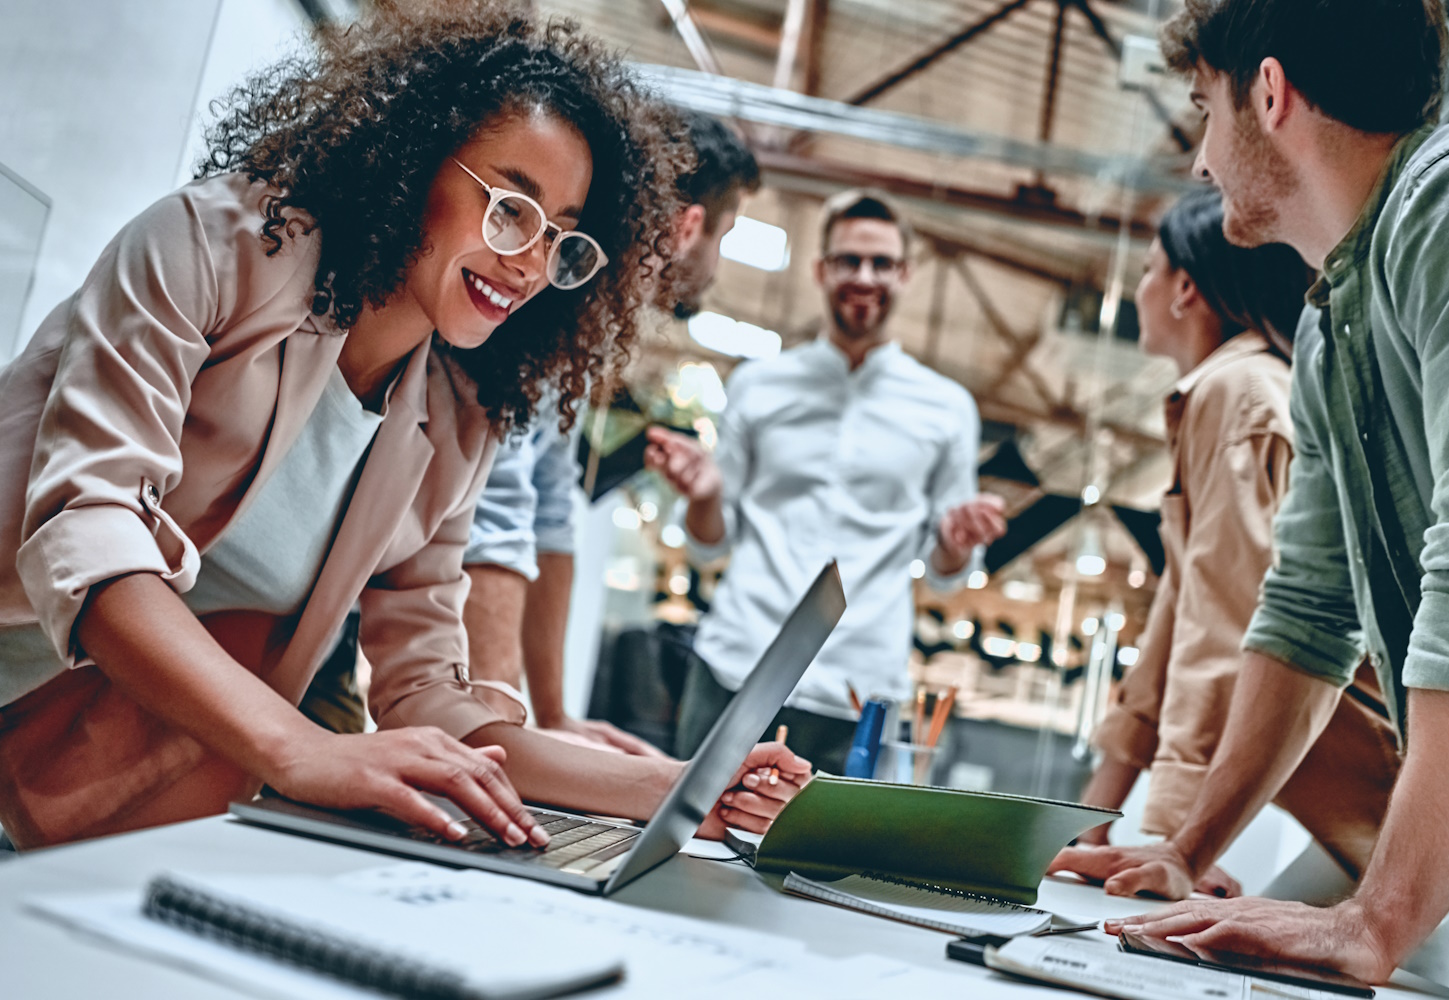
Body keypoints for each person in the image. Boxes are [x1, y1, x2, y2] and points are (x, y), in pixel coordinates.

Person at [0, 3, 807, 852]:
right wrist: (303, 750)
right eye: (510, 208)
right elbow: (88, 531)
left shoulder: (457, 418)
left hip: (68, 778)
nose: (530, 263)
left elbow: (427, 693)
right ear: (415, 158)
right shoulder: (208, 249)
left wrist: (682, 787)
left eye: (563, 240)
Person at [1047, 0, 1449, 992]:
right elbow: (1305, 612)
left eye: (1205, 109)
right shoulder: (1335, 325)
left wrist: (1372, 920)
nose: (1203, 163)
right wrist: (1185, 843)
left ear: (1268, 91)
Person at [1063, 188, 1405, 896]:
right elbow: (1174, 624)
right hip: (1339, 791)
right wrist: (1090, 818)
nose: (1139, 286)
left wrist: (1179, 842)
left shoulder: (1238, 393)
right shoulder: (1223, 393)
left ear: (1187, 287)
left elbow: (1227, 622)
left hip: (1370, 786)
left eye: (1150, 268)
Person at [647, 189, 1008, 775]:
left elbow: (947, 576)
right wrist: (707, 496)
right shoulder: (759, 385)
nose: (864, 276)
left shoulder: (948, 409)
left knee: (826, 865)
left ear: (906, 274)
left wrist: (956, 542)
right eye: (848, 260)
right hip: (738, 666)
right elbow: (709, 541)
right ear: (820, 270)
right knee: (689, 845)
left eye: (882, 263)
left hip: (860, 689)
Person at [458, 111, 760, 755]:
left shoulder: (592, 324)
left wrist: (552, 715)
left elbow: (550, 508)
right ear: (689, 226)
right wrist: (507, 738)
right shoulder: (555, 293)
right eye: (725, 235)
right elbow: (500, 509)